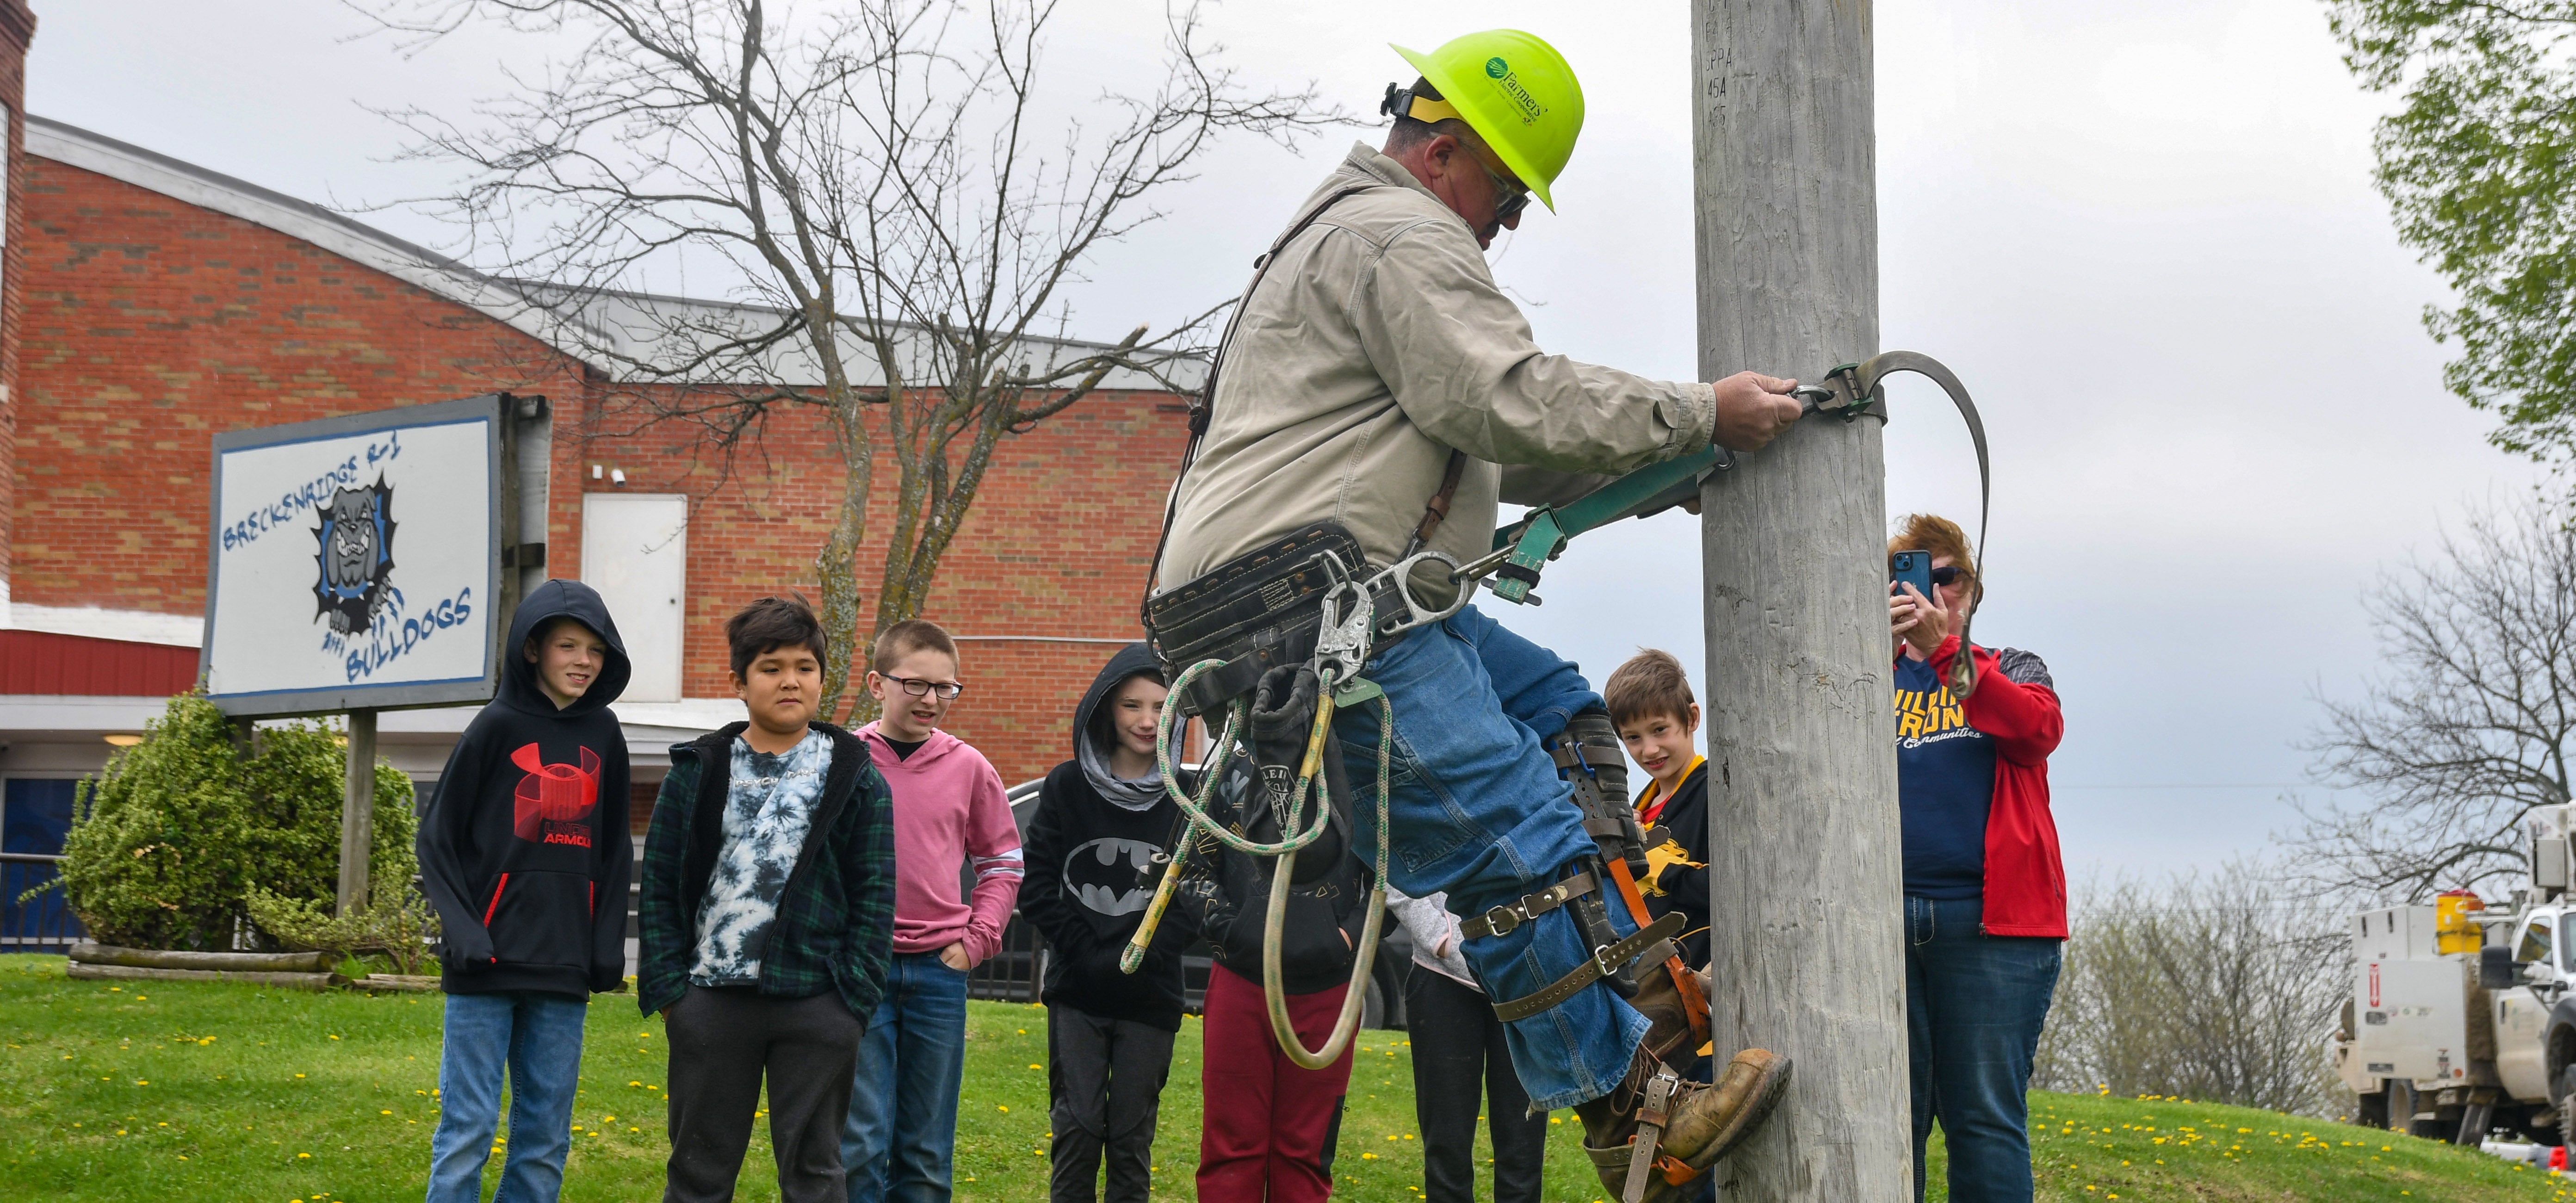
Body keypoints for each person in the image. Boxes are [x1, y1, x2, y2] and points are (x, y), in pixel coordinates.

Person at [1149, 28, 1800, 1201]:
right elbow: (1509, 397)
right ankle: (1634, 1117)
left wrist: (1661, 465)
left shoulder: (1346, 234)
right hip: (1321, 609)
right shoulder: (1399, 234)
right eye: (1505, 196)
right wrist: (1699, 412)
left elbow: (1469, 441)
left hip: (1324, 592)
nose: (1501, 226)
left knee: (1560, 706)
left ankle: (1629, 985)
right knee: (1514, 846)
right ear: (1443, 152)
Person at [638, 595, 897, 1203]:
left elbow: (875, 897)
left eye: (805, 667)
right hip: (712, 1004)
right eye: (771, 666)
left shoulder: (857, 778)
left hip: (817, 1002)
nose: (790, 681)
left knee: (815, 1177)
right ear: (740, 681)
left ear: (822, 679)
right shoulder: (697, 773)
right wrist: (676, 998)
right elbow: (660, 892)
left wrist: (851, 1003)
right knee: (698, 1174)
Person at [416, 579, 634, 1203]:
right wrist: (465, 932)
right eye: (569, 646)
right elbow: (437, 839)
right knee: (468, 1131)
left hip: (563, 969)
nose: (583, 662)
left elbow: (615, 852)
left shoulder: (606, 736)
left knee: (543, 1142)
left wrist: (605, 947)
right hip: (483, 965)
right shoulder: (496, 726)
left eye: (595, 650)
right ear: (533, 650)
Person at [1885, 514, 2067, 1203]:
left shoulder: (2016, 668)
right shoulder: (1858, 676)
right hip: (1879, 922)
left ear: (1973, 588)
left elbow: (2034, 730)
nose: (1932, 591)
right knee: (1886, 1119)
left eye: (1947, 577)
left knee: (1985, 1121)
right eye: (1909, 576)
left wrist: (1944, 655)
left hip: (1994, 928)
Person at [842, 619, 1023, 1203]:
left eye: (946, 688)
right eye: (916, 684)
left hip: (939, 976)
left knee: (925, 1152)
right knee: (860, 1143)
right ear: (878, 682)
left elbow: (1002, 862)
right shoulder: (844, 759)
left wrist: (978, 940)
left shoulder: (970, 767)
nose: (932, 700)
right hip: (860, 970)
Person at [1017, 644, 1192, 1203]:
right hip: (1078, 988)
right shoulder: (1069, 786)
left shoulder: (1190, 798)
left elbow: (1196, 894)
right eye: (1131, 705)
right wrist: (1086, 952)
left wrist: (1147, 955)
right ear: (1105, 710)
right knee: (1078, 1124)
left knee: (1130, 1136)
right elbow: (1039, 884)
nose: (1146, 720)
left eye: (1161, 706)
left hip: (1152, 992)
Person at [1170, 750, 1374, 1203]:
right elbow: (1191, 867)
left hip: (1328, 989)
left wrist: (1345, 937)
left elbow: (1390, 878)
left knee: (1305, 1152)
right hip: (1242, 982)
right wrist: (1237, 932)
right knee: (1230, 1148)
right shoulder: (1229, 769)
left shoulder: (1364, 769)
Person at [1387, 886, 1549, 1203]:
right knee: (1446, 1146)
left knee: (1523, 1145)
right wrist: (1440, 939)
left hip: (1523, 976)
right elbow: (1394, 864)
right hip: (1441, 980)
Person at [1605, 650, 1710, 969]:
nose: (1649, 749)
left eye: (1660, 730)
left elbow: (1743, 891)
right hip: (1649, 983)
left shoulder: (1716, 793)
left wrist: (1660, 866)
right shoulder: (1636, 810)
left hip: (1706, 989)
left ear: (1691, 719)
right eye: (1633, 738)